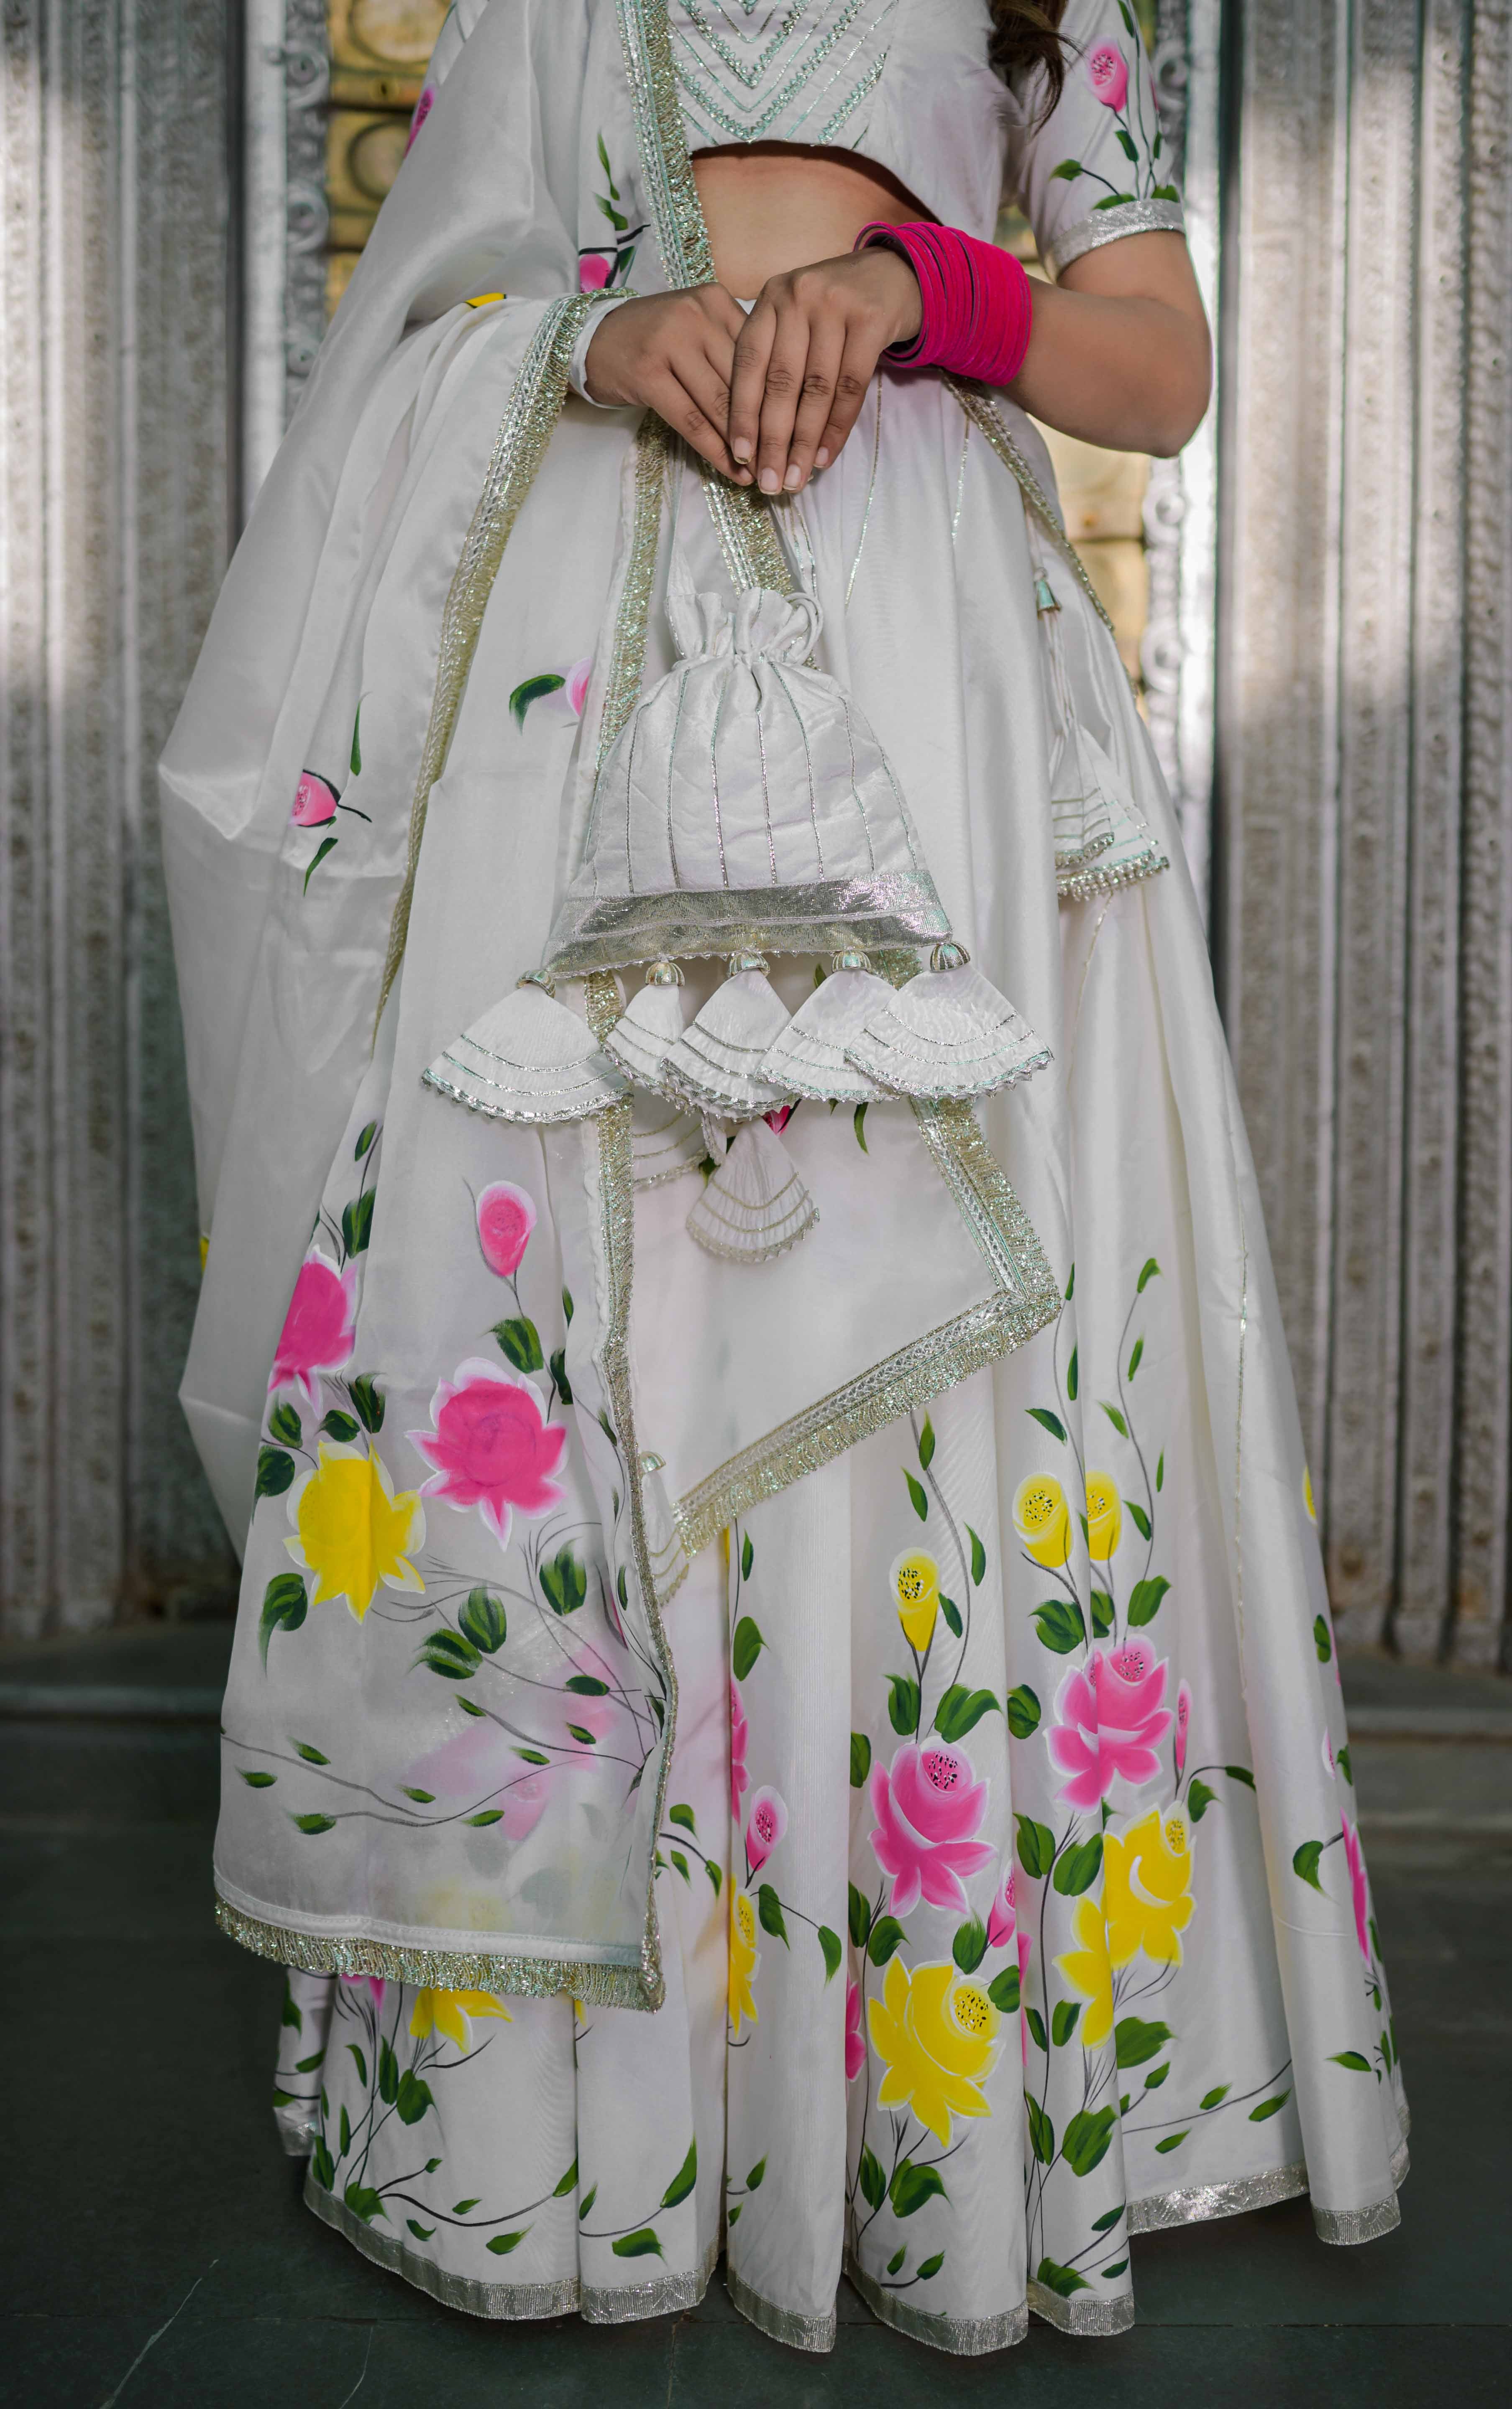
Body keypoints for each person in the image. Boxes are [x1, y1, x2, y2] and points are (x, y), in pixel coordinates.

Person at [162, 0, 1407, 2359]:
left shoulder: (1047, 16)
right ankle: (587, 2135)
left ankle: (925, 2103)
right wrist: (600, 340)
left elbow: (1154, 370)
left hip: (927, 671)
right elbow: (412, 334)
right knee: (583, 1351)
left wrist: (919, 290)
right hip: (576, 675)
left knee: (941, 1351)